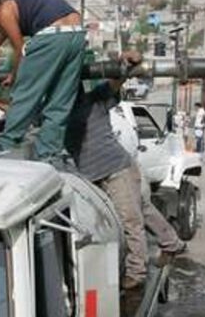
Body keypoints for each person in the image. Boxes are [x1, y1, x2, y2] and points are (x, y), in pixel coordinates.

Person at [66, 52, 186, 289]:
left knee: (131, 221)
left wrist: (128, 61)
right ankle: (171, 243)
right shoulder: (57, 115)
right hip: (104, 172)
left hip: (116, 170)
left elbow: (117, 80)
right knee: (142, 210)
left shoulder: (94, 100)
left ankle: (136, 272)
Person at [0, 0, 84, 161]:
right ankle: (49, 154)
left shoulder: (6, 10)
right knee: (60, 102)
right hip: (77, 35)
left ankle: (5, 147)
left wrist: (15, 75)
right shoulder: (15, 4)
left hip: (51, 37)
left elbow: (19, 48)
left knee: (24, 96)